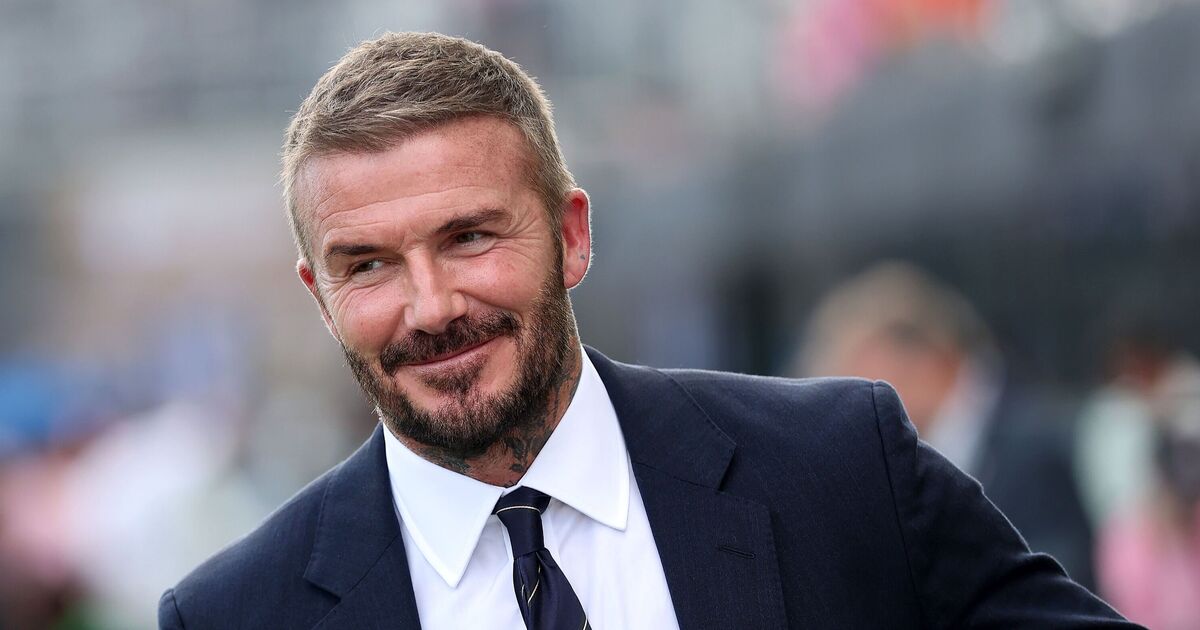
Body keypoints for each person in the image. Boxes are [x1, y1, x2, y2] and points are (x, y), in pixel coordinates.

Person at [159, 32, 1135, 629]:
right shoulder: (236, 615)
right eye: (368, 264)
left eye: (469, 237)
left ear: (572, 236)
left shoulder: (839, 469)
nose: (431, 306)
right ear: (319, 295)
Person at [796, 261, 1097, 590]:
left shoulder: (1030, 443)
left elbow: (1057, 584)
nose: (854, 420)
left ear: (927, 360)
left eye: (864, 387)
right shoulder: (945, 447)